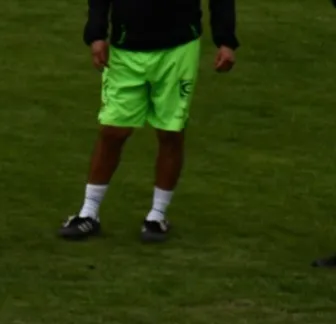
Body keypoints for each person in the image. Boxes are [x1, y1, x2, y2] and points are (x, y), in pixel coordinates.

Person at [58, 0, 238, 243]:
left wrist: (225, 40)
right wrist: (96, 34)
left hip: (179, 48)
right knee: (113, 131)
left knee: (170, 132)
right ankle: (89, 212)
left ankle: (157, 215)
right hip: (125, 49)